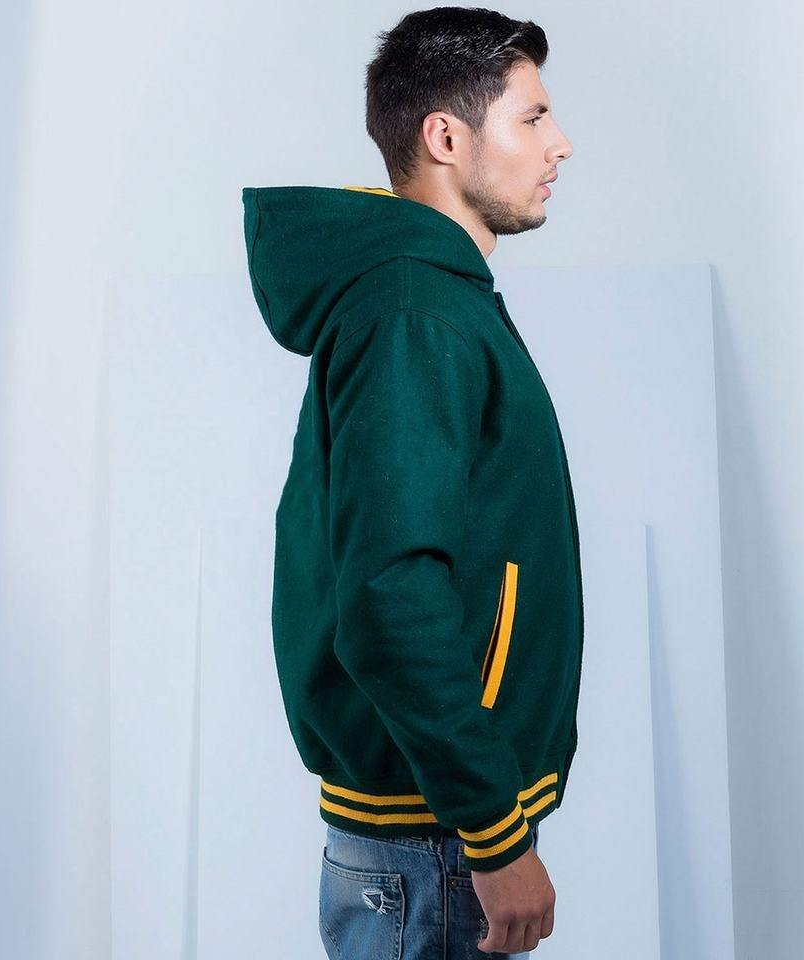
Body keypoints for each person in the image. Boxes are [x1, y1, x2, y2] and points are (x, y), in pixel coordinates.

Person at [241, 6, 581, 957]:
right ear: (446, 137)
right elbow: (389, 594)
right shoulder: (412, 312)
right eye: (532, 117)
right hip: (436, 847)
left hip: (436, 834)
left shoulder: (431, 298)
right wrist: (495, 832)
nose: (560, 143)